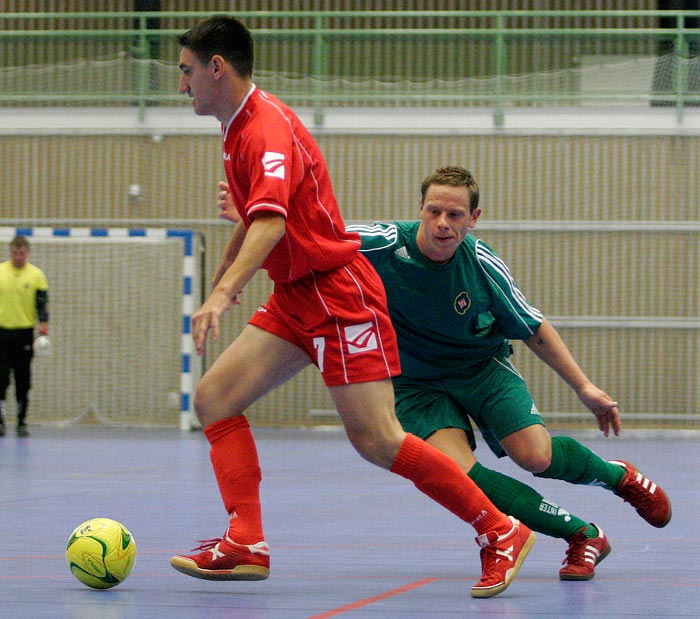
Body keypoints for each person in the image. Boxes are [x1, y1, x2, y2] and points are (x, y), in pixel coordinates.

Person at [171, 16, 536, 599]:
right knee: (214, 397)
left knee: (380, 441)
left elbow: (271, 220)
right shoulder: (235, 128)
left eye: (187, 72)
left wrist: (219, 295)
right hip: (297, 296)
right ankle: (245, 541)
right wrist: (226, 285)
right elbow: (253, 219)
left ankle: (500, 530)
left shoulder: (262, 127)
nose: (181, 85)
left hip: (337, 295)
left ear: (218, 67)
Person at [349, 165, 672, 581]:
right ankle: (583, 535)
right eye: (434, 212)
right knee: (458, 476)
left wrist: (584, 387)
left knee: (536, 456)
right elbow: (314, 232)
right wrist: (254, 216)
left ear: (474, 219)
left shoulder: (480, 263)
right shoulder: (383, 243)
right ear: (421, 209)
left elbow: (534, 329)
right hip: (416, 382)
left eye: (455, 215)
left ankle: (618, 477)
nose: (442, 224)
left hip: (482, 370)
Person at [0, 235, 49, 437]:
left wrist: (44, 326)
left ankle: (21, 421)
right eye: (14, 252)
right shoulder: (1, 272)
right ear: (10, 252)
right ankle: (1, 420)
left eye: (21, 253)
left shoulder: (36, 275)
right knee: (1, 378)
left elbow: (42, 304)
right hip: (2, 333)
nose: (18, 256)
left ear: (27, 253)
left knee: (23, 379)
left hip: (24, 334)